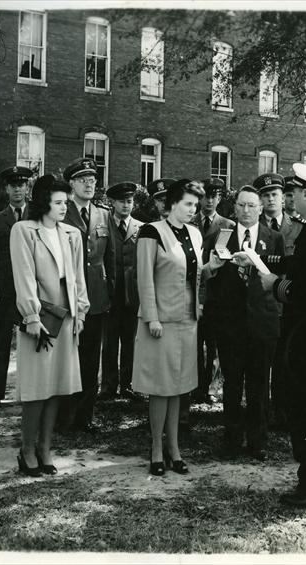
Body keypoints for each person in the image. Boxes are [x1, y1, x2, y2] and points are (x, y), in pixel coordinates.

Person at [233, 163, 306, 508]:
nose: (292, 198)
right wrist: (259, 259)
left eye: (296, 192)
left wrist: (274, 285)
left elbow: (304, 292)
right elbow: (298, 265)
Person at [9, 175, 89, 476]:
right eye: (58, 202)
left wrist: (80, 313)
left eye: (65, 203)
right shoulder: (24, 231)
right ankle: (26, 449)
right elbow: (24, 275)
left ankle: (45, 448)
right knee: (35, 388)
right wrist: (30, 316)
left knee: (56, 386)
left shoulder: (71, 234)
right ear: (43, 202)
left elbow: (78, 279)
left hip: (67, 320)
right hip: (40, 321)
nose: (63, 208)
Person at [202, 185, 284, 461]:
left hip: (262, 322)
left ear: (261, 209)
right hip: (230, 324)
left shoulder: (274, 238)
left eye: (252, 205)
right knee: (233, 384)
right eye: (242, 205)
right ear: (234, 208)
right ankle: (232, 440)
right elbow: (211, 281)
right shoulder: (220, 236)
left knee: (259, 384)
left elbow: (278, 279)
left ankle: (257, 441)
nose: (246, 211)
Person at [132, 179, 205, 476]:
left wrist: (213, 265)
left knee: (178, 389)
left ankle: (175, 449)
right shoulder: (151, 231)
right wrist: (152, 318)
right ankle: (157, 450)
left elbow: (194, 273)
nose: (192, 210)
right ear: (172, 203)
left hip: (187, 320)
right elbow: (144, 278)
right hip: (160, 322)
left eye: (195, 205)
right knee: (160, 389)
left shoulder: (196, 234)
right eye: (187, 204)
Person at [61, 157, 116, 433]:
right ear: (71, 184)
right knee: (67, 358)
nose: (88, 185)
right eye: (82, 180)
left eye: (92, 180)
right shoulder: (61, 211)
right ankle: (63, 417)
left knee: (91, 358)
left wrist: (112, 292)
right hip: (66, 296)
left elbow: (110, 256)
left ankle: (85, 417)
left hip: (96, 295)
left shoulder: (103, 214)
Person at [0, 165, 34, 410]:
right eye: (13, 186)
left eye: (21, 185)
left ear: (27, 187)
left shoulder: (37, 216)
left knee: (34, 341)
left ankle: (32, 391)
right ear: (6, 189)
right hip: (4, 292)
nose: (17, 190)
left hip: (31, 291)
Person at [254, 172, 303, 430]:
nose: (271, 199)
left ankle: (282, 414)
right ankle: (260, 414)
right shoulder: (254, 229)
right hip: (263, 306)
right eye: (265, 195)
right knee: (261, 365)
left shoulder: (297, 228)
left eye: (274, 194)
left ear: (283, 198)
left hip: (289, 306)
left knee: (285, 363)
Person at [191, 177, 235, 404]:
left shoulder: (228, 225)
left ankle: (211, 386)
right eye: (206, 196)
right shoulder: (189, 221)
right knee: (194, 342)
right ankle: (195, 386)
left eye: (214, 196)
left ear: (219, 198)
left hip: (216, 293)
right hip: (193, 290)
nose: (209, 200)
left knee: (214, 344)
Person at [99, 182, 143, 401]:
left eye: (129, 201)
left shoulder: (141, 227)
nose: (126, 205)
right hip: (110, 292)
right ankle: (108, 385)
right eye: (122, 201)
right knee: (109, 342)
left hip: (132, 294)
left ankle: (128, 384)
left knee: (130, 340)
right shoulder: (103, 225)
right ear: (112, 203)